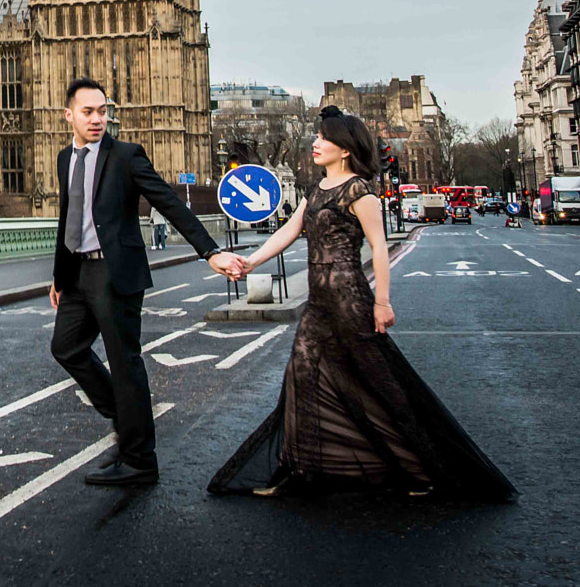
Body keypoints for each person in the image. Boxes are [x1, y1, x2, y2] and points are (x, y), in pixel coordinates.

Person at [208, 107, 514, 501]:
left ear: (346, 149)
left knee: (379, 384)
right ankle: (298, 468)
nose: (315, 144)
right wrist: (250, 262)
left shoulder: (360, 191)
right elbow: (288, 230)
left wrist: (381, 302)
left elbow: (380, 248)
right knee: (301, 375)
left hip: (350, 299)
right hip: (319, 304)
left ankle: (423, 471)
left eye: (323, 139)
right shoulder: (317, 190)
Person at [49, 76, 246, 488]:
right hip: (78, 273)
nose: (98, 119)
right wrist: (59, 276)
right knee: (66, 348)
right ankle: (126, 417)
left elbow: (168, 202)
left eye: (103, 111)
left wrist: (209, 251)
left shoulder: (125, 156)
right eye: (88, 112)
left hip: (114, 271)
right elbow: (69, 218)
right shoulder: (65, 159)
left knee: (124, 363)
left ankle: (139, 460)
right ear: (69, 116)